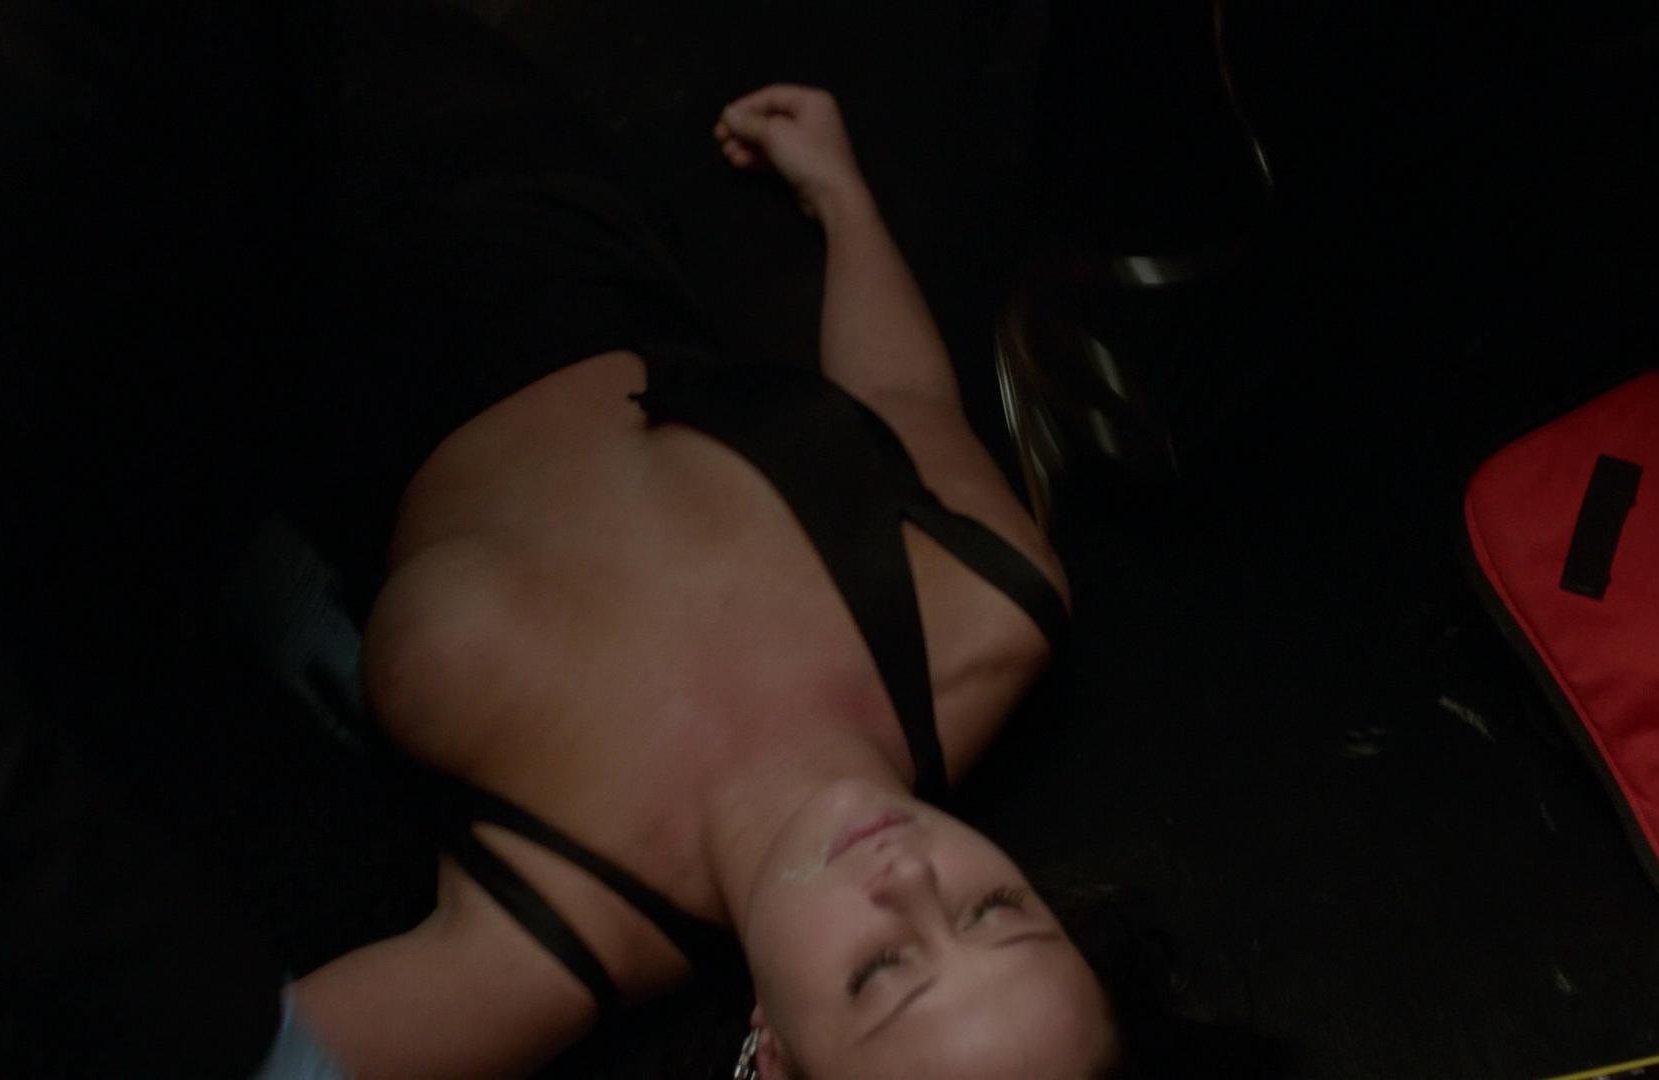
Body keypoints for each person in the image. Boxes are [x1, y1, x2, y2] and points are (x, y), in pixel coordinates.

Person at [288, 84, 1126, 1078]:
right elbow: (901, 399)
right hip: (533, 191)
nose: (909, 874)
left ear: (771, 1053)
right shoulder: (989, 613)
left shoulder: (554, 936)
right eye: (994, 909)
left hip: (262, 351)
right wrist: (841, 198)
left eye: (880, 971)